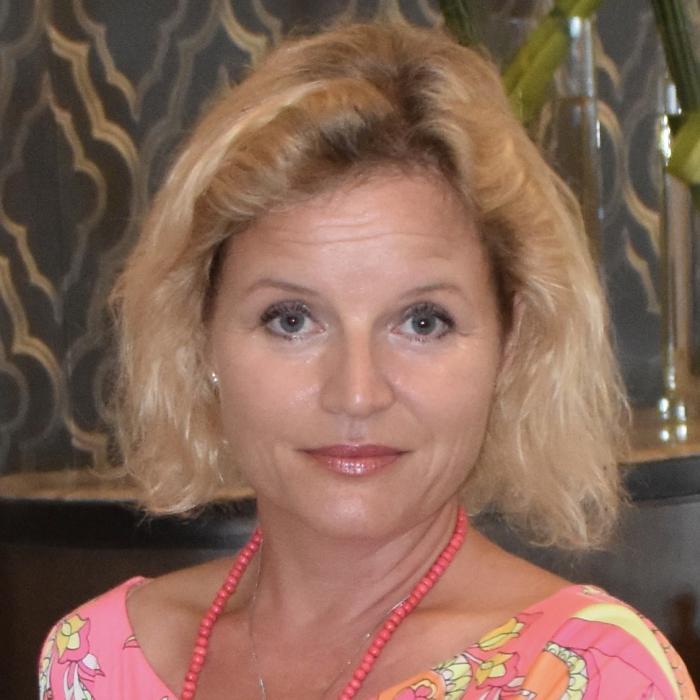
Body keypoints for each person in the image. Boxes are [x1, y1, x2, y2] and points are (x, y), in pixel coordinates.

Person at [39, 21, 697, 700]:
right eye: (292, 320)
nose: (356, 393)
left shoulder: (592, 677)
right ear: (199, 332)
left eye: (422, 322)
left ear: (511, 342)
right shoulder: (96, 659)